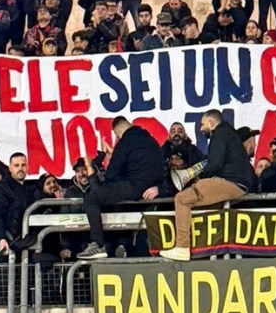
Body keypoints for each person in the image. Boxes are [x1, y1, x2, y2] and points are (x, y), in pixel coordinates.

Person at [158, 109, 255, 262]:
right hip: (236, 182)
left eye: (202, 125)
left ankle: (182, 247)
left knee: (182, 198)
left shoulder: (219, 134)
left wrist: (199, 177)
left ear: (211, 123)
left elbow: (215, 164)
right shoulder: (229, 134)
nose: (201, 129)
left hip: (230, 181)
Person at [75, 116, 163, 261]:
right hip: (152, 189)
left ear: (117, 133)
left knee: (91, 197)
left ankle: (97, 244)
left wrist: (109, 157)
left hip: (133, 187)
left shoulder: (125, 142)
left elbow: (111, 175)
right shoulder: (152, 141)